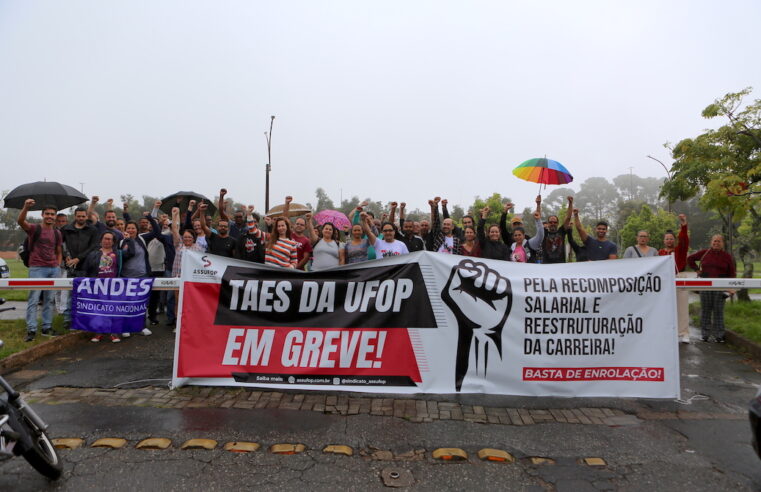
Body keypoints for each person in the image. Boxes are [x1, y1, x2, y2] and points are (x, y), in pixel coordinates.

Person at [18, 199, 63, 342]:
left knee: (49, 300)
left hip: (53, 269)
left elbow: (58, 251)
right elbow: (20, 221)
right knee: (34, 300)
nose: (50, 216)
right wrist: (25, 207)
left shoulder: (57, 233)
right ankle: (31, 330)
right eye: (47, 214)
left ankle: (46, 327)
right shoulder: (34, 228)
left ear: (55, 216)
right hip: (37, 269)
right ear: (42, 215)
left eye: (52, 214)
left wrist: (57, 265)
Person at [687, 234, 736, 343]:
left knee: (719, 311)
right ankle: (705, 335)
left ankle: (720, 335)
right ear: (711, 242)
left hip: (720, 287)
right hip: (705, 285)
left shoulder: (727, 256)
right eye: (714, 241)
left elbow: (732, 273)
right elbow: (690, 259)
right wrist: (697, 270)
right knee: (706, 311)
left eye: (719, 241)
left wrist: (730, 288)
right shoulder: (705, 253)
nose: (716, 243)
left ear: (722, 243)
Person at [119, 212, 161, 337]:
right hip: (126, 276)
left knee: (141, 303)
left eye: (133, 228)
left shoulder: (142, 238)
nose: (130, 230)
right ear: (125, 229)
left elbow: (157, 232)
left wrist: (150, 218)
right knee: (126, 303)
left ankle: (141, 326)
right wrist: (127, 240)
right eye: (128, 228)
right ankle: (125, 327)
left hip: (142, 276)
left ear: (137, 230)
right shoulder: (121, 241)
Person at [60, 207, 98, 328]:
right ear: (75, 216)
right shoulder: (66, 229)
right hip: (71, 266)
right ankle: (68, 319)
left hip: (87, 266)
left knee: (86, 294)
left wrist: (79, 258)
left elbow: (93, 247)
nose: (81, 218)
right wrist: (65, 256)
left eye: (83, 216)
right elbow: (60, 245)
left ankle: (84, 319)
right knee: (71, 294)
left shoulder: (92, 229)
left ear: (87, 217)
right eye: (79, 216)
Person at [82, 231, 122, 342]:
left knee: (112, 309)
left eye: (110, 239)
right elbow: (87, 269)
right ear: (101, 240)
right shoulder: (93, 254)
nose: (107, 241)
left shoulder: (118, 253)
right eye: (105, 238)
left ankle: (114, 333)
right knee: (98, 310)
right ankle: (98, 333)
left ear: (113, 242)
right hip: (97, 286)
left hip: (113, 286)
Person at [659, 214, 691, 343]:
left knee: (682, 306)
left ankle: (684, 333)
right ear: (664, 240)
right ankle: (667, 331)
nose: (669, 241)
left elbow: (684, 240)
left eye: (671, 239)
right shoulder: (660, 252)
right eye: (667, 239)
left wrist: (683, 225)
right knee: (665, 306)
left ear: (674, 240)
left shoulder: (680, 250)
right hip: (665, 279)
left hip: (679, 276)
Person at [542, 196, 574, 264]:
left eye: (555, 222)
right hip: (546, 266)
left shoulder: (561, 231)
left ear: (558, 223)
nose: (553, 224)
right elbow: (537, 219)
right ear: (547, 223)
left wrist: (570, 203)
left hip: (560, 265)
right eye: (550, 222)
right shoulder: (544, 233)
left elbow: (568, 218)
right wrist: (538, 204)